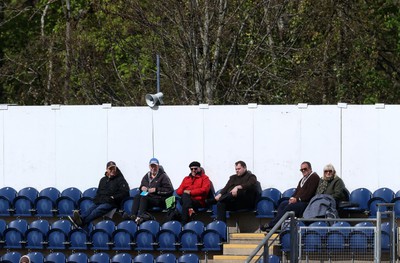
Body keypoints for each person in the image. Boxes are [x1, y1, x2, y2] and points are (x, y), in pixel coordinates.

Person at [68, 161, 130, 229]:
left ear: (116, 169)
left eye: (114, 168)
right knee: (90, 208)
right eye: (110, 169)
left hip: (112, 202)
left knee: (97, 210)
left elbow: (125, 192)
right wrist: (97, 200)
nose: (112, 170)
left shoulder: (120, 179)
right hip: (101, 200)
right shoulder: (103, 180)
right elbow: (99, 192)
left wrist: (113, 197)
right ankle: (80, 219)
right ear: (107, 169)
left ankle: (81, 222)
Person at [261, 161, 319, 231]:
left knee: (290, 207)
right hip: (299, 201)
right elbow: (297, 191)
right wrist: (292, 198)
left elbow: (309, 193)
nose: (303, 171)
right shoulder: (303, 179)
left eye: (305, 169)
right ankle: (279, 225)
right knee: (283, 204)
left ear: (310, 169)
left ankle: (272, 224)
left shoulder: (314, 177)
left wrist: (297, 199)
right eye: (301, 170)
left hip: (306, 203)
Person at [129, 157, 174, 224]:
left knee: (144, 197)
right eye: (151, 166)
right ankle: (132, 216)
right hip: (148, 195)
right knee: (137, 196)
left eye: (155, 166)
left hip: (158, 198)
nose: (153, 168)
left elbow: (169, 190)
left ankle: (140, 217)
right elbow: (141, 186)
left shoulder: (163, 176)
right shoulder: (147, 176)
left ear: (158, 166)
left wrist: (156, 190)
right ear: (149, 166)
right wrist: (142, 188)